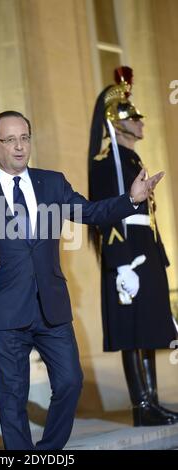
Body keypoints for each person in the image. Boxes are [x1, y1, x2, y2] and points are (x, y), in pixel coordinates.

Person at [0, 110, 163, 450]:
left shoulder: (52, 183)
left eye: (24, 137)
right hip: (4, 309)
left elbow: (91, 213)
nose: (19, 147)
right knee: (12, 396)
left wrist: (131, 200)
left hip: (51, 308)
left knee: (70, 381)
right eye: (10, 140)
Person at [88, 66, 178, 426]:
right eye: (133, 118)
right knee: (132, 331)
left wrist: (159, 258)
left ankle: (152, 402)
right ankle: (141, 405)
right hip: (126, 256)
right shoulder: (106, 162)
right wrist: (121, 262)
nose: (141, 123)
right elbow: (107, 214)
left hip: (144, 251)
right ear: (116, 122)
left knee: (149, 330)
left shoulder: (131, 158)